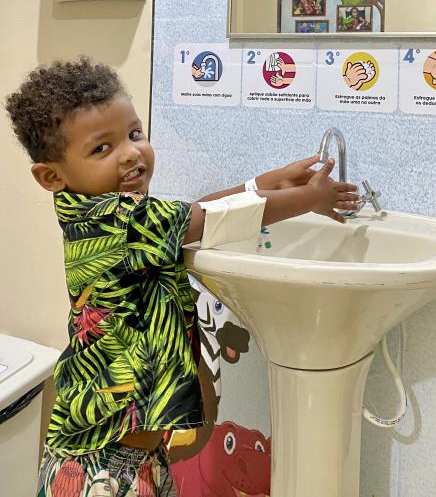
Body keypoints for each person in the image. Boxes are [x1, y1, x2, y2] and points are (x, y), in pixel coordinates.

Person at [5, 57, 359, 496]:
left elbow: (190, 215)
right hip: (99, 469)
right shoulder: (116, 219)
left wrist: (263, 184)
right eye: (102, 148)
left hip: (133, 456)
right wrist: (309, 198)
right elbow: (206, 220)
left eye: (135, 134)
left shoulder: (110, 214)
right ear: (51, 176)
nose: (130, 153)